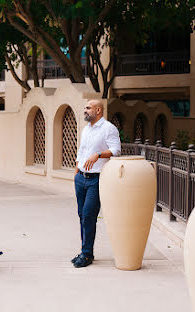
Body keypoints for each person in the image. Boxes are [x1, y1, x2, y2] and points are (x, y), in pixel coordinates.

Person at [72, 100, 121, 268]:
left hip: (96, 179)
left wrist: (98, 155)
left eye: (88, 108)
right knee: (82, 216)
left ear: (98, 110)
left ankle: (86, 255)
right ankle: (85, 251)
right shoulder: (86, 129)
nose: (84, 110)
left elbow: (116, 150)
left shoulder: (109, 128)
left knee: (88, 215)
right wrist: (77, 167)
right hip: (80, 178)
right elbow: (82, 149)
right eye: (84, 107)